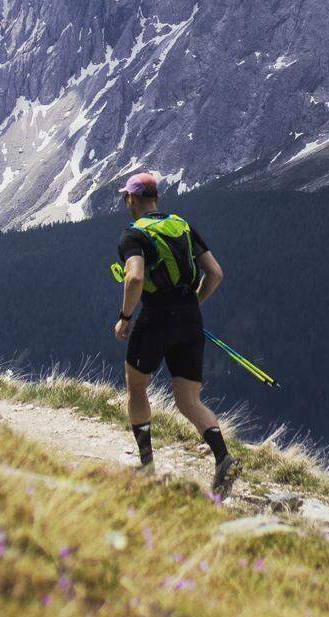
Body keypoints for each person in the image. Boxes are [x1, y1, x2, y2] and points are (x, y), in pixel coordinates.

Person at [112, 172, 241, 497]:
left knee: (137, 387)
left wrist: (125, 317)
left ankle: (146, 465)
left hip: (155, 318)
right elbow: (216, 272)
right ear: (156, 197)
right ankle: (223, 457)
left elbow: (135, 279)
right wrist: (193, 302)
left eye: (126, 197)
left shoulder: (133, 235)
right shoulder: (182, 225)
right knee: (189, 401)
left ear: (132, 199)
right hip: (190, 317)